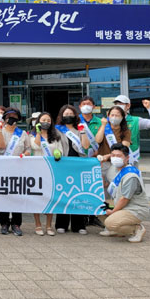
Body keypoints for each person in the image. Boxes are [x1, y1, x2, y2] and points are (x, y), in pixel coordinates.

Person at [98, 143, 149, 243]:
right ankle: (116, 230)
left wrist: (113, 212)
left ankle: (137, 229)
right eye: (113, 155)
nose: (115, 158)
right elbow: (108, 184)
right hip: (120, 204)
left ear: (127, 158)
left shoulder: (131, 175)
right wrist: (101, 174)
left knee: (110, 222)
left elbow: (125, 199)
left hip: (134, 208)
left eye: (119, 156)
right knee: (98, 206)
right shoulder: (113, 169)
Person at [54, 104, 91, 235]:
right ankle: (61, 224)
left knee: (78, 194)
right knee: (63, 193)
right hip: (63, 164)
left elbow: (86, 146)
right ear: (61, 116)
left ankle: (79, 225)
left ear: (75, 116)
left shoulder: (80, 128)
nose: (68, 116)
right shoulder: (57, 129)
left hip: (78, 164)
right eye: (66, 114)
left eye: (71, 114)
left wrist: (83, 132)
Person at [0, 107, 30, 236]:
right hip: (3, 168)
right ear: (5, 118)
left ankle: (16, 224)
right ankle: (4, 223)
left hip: (18, 168)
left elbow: (28, 148)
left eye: (14, 116)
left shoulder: (23, 133)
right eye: (9, 116)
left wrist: (26, 154)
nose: (11, 118)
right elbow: (1, 148)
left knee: (17, 196)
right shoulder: (0, 131)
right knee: (3, 195)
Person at [29, 112, 63, 236]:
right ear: (38, 121)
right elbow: (35, 146)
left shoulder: (56, 136)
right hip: (37, 171)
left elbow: (60, 150)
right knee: (37, 197)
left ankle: (49, 225)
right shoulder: (32, 135)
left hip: (51, 171)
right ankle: (38, 224)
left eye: (48, 120)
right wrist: (38, 133)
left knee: (50, 198)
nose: (46, 122)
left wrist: (58, 153)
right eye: (43, 120)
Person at [78, 96, 105, 228]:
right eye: (84, 104)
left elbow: (104, 140)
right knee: (80, 187)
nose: (86, 106)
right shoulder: (76, 120)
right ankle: (82, 216)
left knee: (94, 187)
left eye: (89, 104)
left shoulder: (100, 122)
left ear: (94, 106)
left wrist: (99, 153)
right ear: (79, 107)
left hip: (95, 159)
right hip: (79, 159)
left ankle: (93, 216)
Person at [113, 95, 150, 165]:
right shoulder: (110, 120)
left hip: (131, 158)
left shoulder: (135, 120)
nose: (118, 105)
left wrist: (149, 108)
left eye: (120, 103)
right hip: (114, 158)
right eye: (116, 104)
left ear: (128, 106)